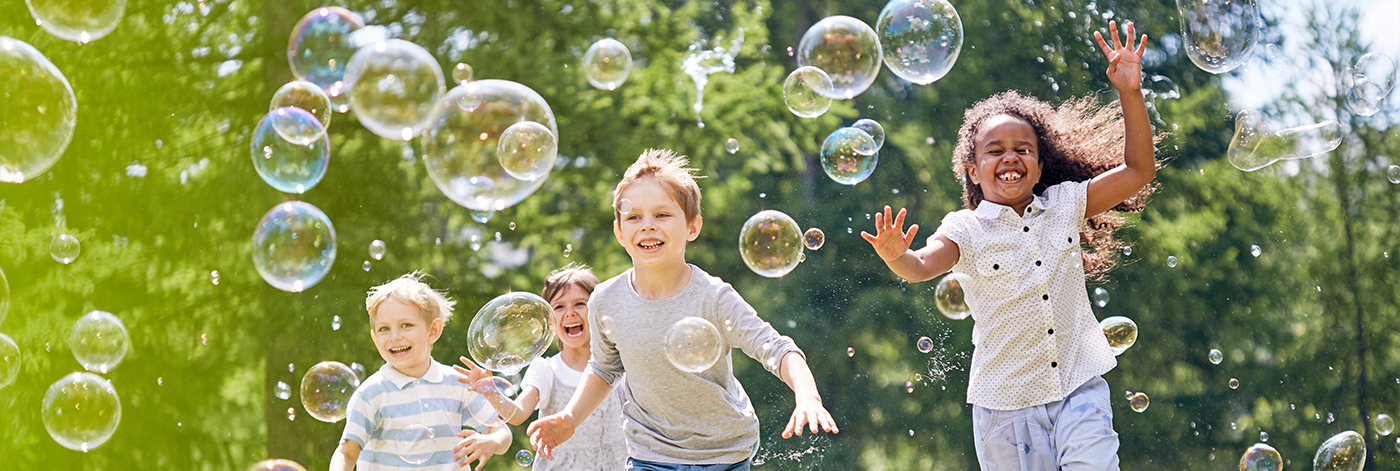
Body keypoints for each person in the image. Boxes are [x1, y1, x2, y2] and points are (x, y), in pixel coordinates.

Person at [861, 21, 1159, 470]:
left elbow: (1138, 171)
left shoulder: (1065, 204)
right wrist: (896, 255)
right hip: (1005, 407)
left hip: (1079, 388)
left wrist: (1130, 92)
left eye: (1023, 148)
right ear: (973, 171)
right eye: (994, 150)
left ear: (1040, 167)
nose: (1009, 157)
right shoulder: (966, 229)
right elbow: (922, 266)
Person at [526, 149, 839, 470]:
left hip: (723, 452)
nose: (647, 225)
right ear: (620, 232)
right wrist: (571, 417)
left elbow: (776, 348)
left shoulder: (714, 297)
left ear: (692, 226)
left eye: (662, 215)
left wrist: (808, 396)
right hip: (650, 454)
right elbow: (605, 368)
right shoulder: (605, 300)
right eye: (634, 217)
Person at [453, 263, 628, 470]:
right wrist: (490, 391)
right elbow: (518, 415)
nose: (570, 313)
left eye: (580, 303)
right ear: (548, 321)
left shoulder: (620, 364)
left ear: (599, 310)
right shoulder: (545, 370)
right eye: (559, 307)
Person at [331, 272, 512, 471]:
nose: (394, 336)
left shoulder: (457, 383)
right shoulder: (371, 393)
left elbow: (500, 430)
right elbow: (346, 453)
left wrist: (492, 442)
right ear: (375, 338)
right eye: (384, 329)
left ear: (433, 331)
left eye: (406, 325)